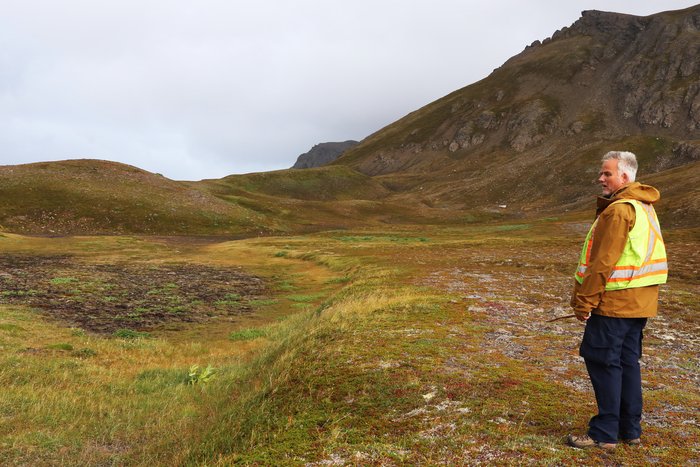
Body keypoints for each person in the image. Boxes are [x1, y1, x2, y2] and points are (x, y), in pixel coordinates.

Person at [567, 151, 668, 450]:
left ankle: (603, 433)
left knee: (604, 362)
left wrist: (583, 302)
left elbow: (602, 263)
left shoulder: (619, 210)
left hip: (615, 303)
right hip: (640, 303)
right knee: (626, 363)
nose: (600, 178)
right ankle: (629, 429)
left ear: (624, 177)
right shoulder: (645, 206)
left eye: (606, 173)